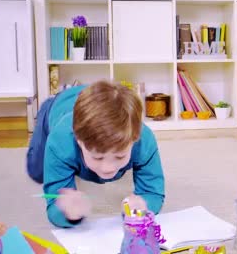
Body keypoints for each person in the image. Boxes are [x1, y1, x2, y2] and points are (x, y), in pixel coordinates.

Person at [26, 80, 165, 228]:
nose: (108, 168)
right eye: (97, 157)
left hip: (92, 101)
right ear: (78, 141)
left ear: (135, 140)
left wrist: (145, 205)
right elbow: (54, 206)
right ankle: (49, 103)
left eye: (120, 156)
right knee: (36, 171)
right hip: (57, 106)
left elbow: (153, 193)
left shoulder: (144, 140)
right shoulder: (60, 142)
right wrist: (66, 211)